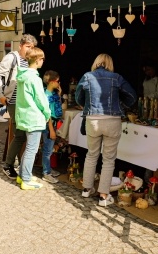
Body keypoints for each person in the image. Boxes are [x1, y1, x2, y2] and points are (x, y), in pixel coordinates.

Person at [75, 53, 136, 207]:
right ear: (109, 64)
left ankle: (86, 189)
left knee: (91, 155)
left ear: (96, 63)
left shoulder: (87, 76)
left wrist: (87, 106)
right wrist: (121, 106)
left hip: (92, 120)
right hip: (112, 121)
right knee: (108, 159)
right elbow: (132, 96)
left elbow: (78, 97)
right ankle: (103, 196)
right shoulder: (116, 77)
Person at [0, 34, 38, 179]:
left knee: (23, 134)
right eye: (27, 47)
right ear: (20, 46)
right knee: (19, 135)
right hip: (14, 102)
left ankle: (19, 163)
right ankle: (8, 164)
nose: (29, 50)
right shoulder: (12, 58)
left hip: (26, 103)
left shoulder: (31, 59)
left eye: (32, 47)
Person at [15, 47, 51, 190]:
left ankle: (22, 175)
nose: (43, 61)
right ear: (37, 60)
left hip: (25, 116)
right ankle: (26, 179)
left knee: (28, 148)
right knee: (31, 149)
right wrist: (47, 113)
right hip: (34, 118)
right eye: (42, 59)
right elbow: (41, 100)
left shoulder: (23, 76)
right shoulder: (34, 78)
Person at [41, 70, 63, 184]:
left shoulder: (54, 94)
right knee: (47, 149)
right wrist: (51, 129)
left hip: (53, 124)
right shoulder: (46, 95)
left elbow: (57, 107)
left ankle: (48, 168)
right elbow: (47, 114)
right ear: (51, 81)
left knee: (50, 148)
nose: (59, 83)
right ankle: (46, 172)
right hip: (48, 125)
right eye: (57, 81)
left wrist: (59, 95)